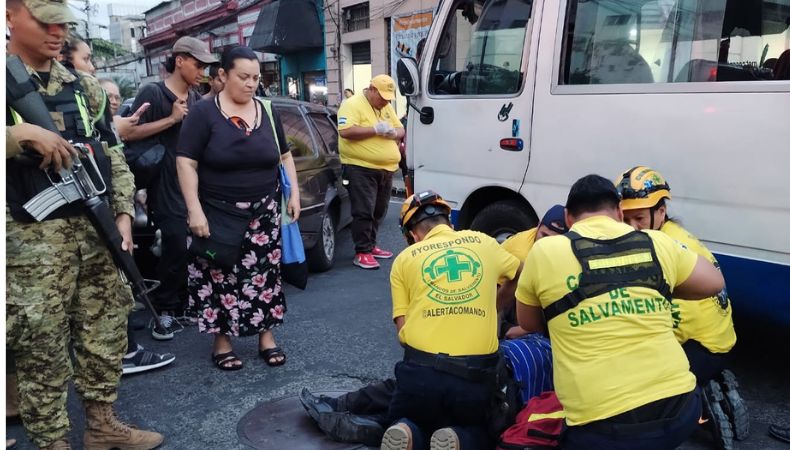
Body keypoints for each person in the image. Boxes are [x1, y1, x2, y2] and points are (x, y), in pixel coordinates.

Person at [5, 0, 164, 448]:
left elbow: (112, 154)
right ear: (11, 15)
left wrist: (123, 214)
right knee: (41, 347)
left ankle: (102, 425)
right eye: (44, 20)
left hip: (95, 233)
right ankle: (52, 441)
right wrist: (16, 137)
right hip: (29, 242)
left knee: (104, 330)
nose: (56, 32)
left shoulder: (84, 87)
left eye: (63, 23)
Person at [515, 174, 726, 450]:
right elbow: (715, 282)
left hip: (600, 429)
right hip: (681, 409)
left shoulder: (544, 251)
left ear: (568, 218)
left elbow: (528, 323)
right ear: (619, 211)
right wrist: (650, 288)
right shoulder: (655, 242)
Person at [176, 45, 299, 370]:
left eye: (256, 78)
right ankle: (222, 342)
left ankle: (266, 336)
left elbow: (285, 156)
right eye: (243, 76)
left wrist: (294, 195)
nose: (250, 83)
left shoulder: (267, 111)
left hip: (265, 214)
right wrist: (194, 210)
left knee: (265, 276)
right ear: (223, 75)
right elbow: (186, 162)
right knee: (218, 276)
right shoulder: (203, 113)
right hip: (217, 212)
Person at [615, 166, 747, 444]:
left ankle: (701, 411)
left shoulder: (656, 246)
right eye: (625, 219)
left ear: (660, 211)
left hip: (695, 347)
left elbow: (663, 321)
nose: (631, 227)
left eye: (638, 218)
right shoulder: (679, 235)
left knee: (635, 385)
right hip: (721, 341)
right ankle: (710, 385)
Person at [381, 190, 521, 450]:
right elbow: (517, 272)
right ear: (450, 223)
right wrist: (495, 305)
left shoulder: (403, 261)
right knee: (486, 429)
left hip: (420, 373)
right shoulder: (483, 242)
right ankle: (460, 439)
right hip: (475, 374)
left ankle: (407, 429)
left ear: (412, 235)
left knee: (407, 417)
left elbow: (403, 334)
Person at [123, 36, 217, 340]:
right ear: (180, 60)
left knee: (192, 246)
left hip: (191, 183)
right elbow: (128, 133)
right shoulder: (153, 91)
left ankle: (183, 304)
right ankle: (164, 309)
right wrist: (171, 119)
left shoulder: (194, 97)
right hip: (164, 183)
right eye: (198, 64)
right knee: (175, 242)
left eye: (206, 65)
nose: (203, 71)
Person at [337, 75, 404, 270]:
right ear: (372, 89)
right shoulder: (352, 104)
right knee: (364, 210)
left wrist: (393, 133)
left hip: (386, 169)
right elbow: (345, 131)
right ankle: (362, 251)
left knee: (379, 210)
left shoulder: (385, 106)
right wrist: (375, 130)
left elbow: (400, 129)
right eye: (382, 97)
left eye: (389, 98)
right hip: (360, 167)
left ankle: (371, 245)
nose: (385, 101)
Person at [497, 204, 568, 339]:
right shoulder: (522, 254)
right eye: (544, 235)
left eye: (554, 240)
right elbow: (497, 300)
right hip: (499, 295)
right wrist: (524, 329)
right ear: (538, 225)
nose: (546, 244)